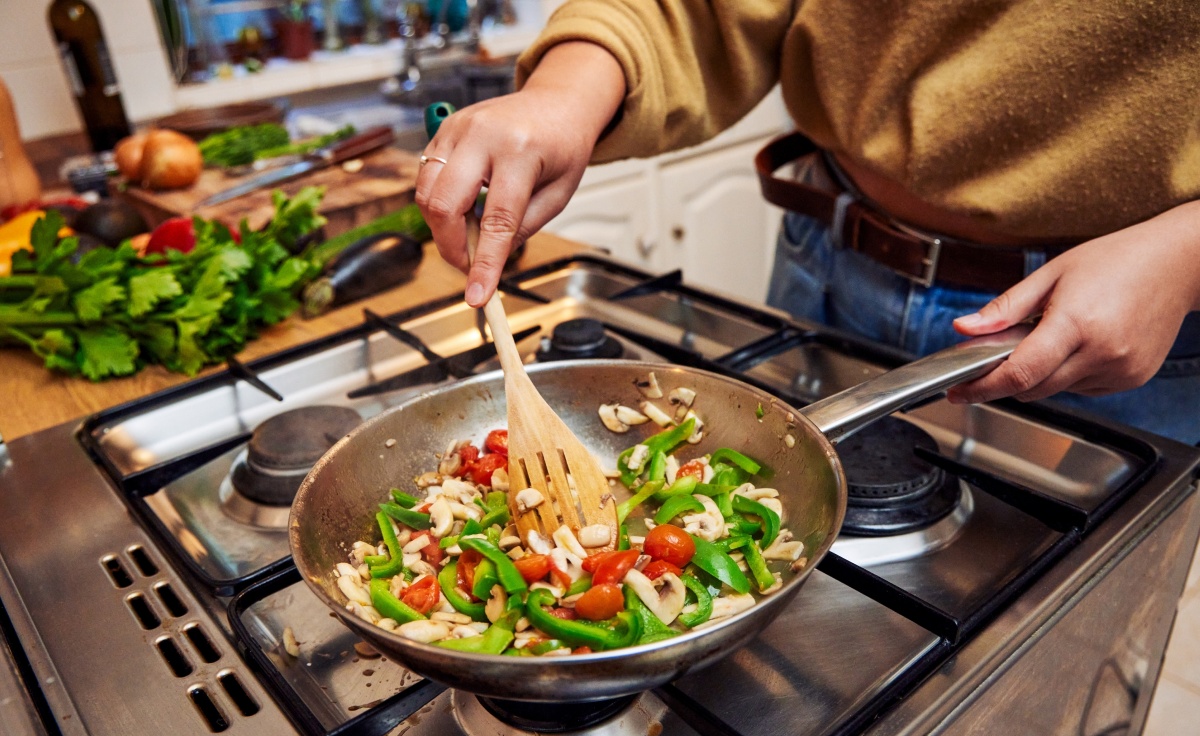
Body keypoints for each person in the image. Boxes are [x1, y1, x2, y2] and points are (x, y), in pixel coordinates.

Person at [414, 1, 1200, 444]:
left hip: (1118, 312)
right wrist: (566, 90)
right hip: (829, 257)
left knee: (1055, 663)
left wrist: (1186, 252)